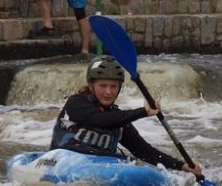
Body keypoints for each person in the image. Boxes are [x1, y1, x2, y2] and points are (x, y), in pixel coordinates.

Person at [50, 57, 204, 178]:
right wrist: (143, 112)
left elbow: (144, 151)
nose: (108, 92)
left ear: (120, 88)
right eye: (103, 85)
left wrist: (181, 165)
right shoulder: (76, 103)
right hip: (64, 158)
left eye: (113, 86)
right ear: (91, 85)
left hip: (101, 165)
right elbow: (98, 120)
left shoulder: (119, 120)